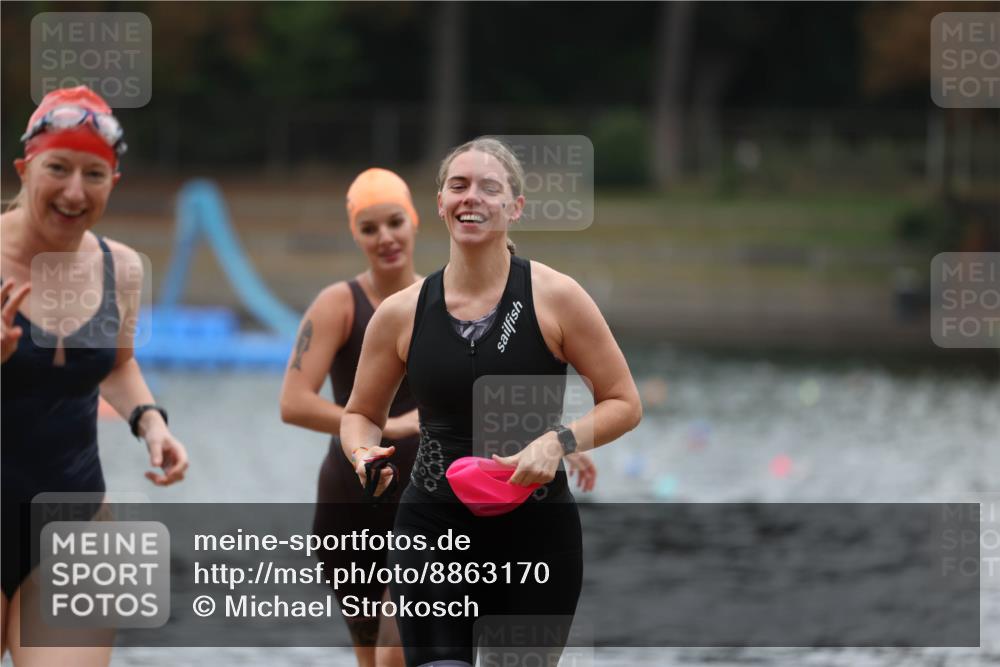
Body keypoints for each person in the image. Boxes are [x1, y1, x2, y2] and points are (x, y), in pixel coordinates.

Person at [341, 137, 638, 666]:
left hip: (536, 537)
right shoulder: (401, 312)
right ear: (439, 203)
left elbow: (622, 401)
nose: (470, 197)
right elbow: (362, 415)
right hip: (433, 528)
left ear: (515, 206)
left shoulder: (556, 296)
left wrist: (559, 441)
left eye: (488, 187)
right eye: (457, 186)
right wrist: (362, 452)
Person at [0, 86, 189, 666]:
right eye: (58, 168)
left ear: (114, 183)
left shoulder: (122, 269)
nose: (74, 191)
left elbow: (118, 363)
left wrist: (150, 421)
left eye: (94, 174)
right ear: (26, 169)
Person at [279, 168, 423, 667]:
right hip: (350, 501)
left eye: (395, 222)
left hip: (424, 503)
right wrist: (392, 425)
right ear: (355, 235)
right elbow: (294, 402)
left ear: (415, 221)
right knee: (371, 658)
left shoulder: (442, 301)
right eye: (369, 228)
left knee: (395, 651)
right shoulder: (339, 304)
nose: (385, 238)